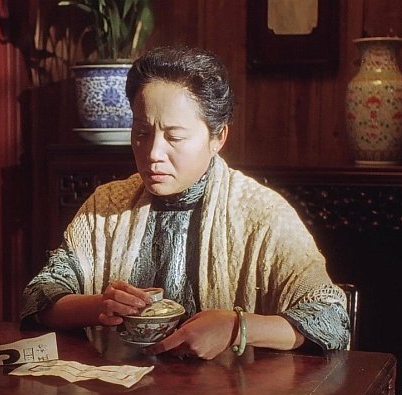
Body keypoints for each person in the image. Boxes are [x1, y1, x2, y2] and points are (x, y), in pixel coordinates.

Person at [22, 45, 349, 358]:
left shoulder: (261, 214)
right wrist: (98, 306)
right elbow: (40, 296)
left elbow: (331, 317)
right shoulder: (107, 206)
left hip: (231, 393)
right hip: (118, 389)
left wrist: (237, 328)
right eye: (141, 133)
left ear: (218, 138)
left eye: (174, 137)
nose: (153, 153)